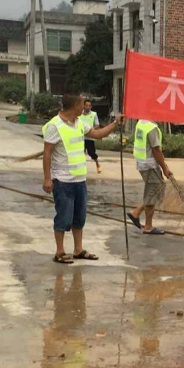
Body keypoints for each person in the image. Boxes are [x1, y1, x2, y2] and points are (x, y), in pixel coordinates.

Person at [43, 94, 122, 264]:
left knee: (79, 217)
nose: (85, 107)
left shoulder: (79, 123)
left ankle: (78, 249)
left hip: (79, 180)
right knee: (64, 217)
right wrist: (47, 178)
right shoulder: (54, 126)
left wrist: (116, 123)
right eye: (81, 104)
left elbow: (98, 134)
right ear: (74, 106)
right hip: (63, 181)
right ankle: (60, 251)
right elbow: (47, 153)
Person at [127, 119, 172, 235]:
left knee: (156, 190)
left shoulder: (141, 122)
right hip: (150, 165)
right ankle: (148, 226)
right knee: (153, 193)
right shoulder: (151, 128)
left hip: (143, 163)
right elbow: (156, 150)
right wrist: (165, 168)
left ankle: (136, 212)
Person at [80, 99, 102, 174]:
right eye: (86, 105)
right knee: (81, 153)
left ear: (91, 106)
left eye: (89, 106)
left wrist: (91, 130)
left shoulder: (94, 114)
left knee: (91, 152)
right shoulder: (79, 114)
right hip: (81, 138)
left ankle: (97, 164)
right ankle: (81, 168)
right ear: (83, 106)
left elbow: (97, 125)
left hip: (90, 137)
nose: (88, 107)